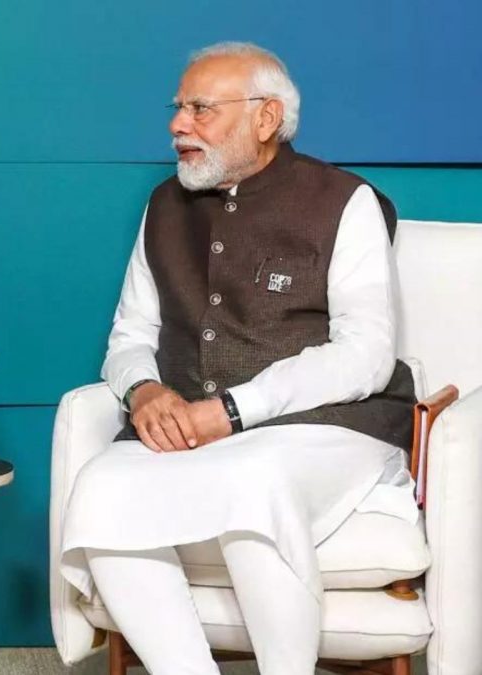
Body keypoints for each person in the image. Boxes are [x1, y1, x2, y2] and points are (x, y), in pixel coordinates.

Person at [59, 42, 417, 674]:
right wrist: (142, 390)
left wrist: (232, 411)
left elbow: (365, 354)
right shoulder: (164, 206)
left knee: (253, 482)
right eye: (178, 108)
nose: (177, 124)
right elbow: (130, 333)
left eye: (201, 108)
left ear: (266, 118)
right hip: (202, 434)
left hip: (332, 428)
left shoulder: (344, 201)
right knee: (103, 486)